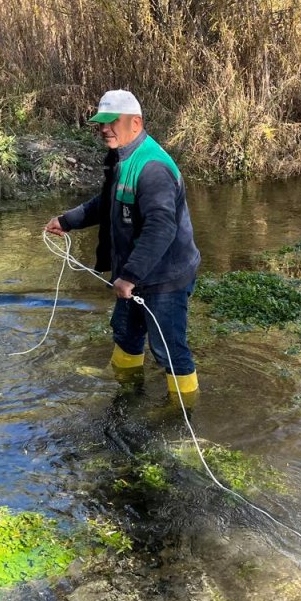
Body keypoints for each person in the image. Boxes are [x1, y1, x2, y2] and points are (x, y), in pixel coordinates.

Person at [45, 90, 201, 394]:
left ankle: (182, 410)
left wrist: (129, 276)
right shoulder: (121, 158)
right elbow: (107, 204)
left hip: (165, 278)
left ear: (136, 122)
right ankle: (125, 387)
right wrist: (66, 221)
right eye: (101, 123)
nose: (104, 129)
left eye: (112, 121)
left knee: (169, 349)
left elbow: (161, 228)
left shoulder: (152, 168)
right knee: (125, 333)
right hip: (135, 274)